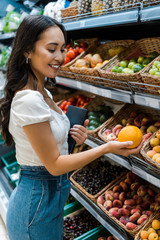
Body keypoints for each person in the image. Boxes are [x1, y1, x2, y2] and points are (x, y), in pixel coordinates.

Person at [0, 15, 143, 240]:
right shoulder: (29, 99)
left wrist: (73, 140)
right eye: (51, 49)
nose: (60, 57)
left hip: (50, 197)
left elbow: (51, 152)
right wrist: (106, 148)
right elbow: (54, 165)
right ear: (27, 50)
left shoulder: (43, 93)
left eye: (63, 49)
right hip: (36, 205)